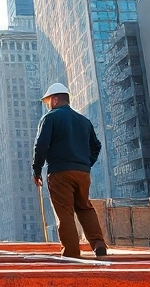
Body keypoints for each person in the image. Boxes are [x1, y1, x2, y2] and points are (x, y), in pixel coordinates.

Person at [32, 82, 107, 259]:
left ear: (56, 99)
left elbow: (41, 145)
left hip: (60, 173)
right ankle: (98, 244)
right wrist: (86, 163)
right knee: (85, 207)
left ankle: (72, 254)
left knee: (64, 213)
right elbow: (96, 146)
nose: (48, 105)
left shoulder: (50, 118)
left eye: (48, 101)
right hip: (82, 173)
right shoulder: (84, 121)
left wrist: (36, 170)